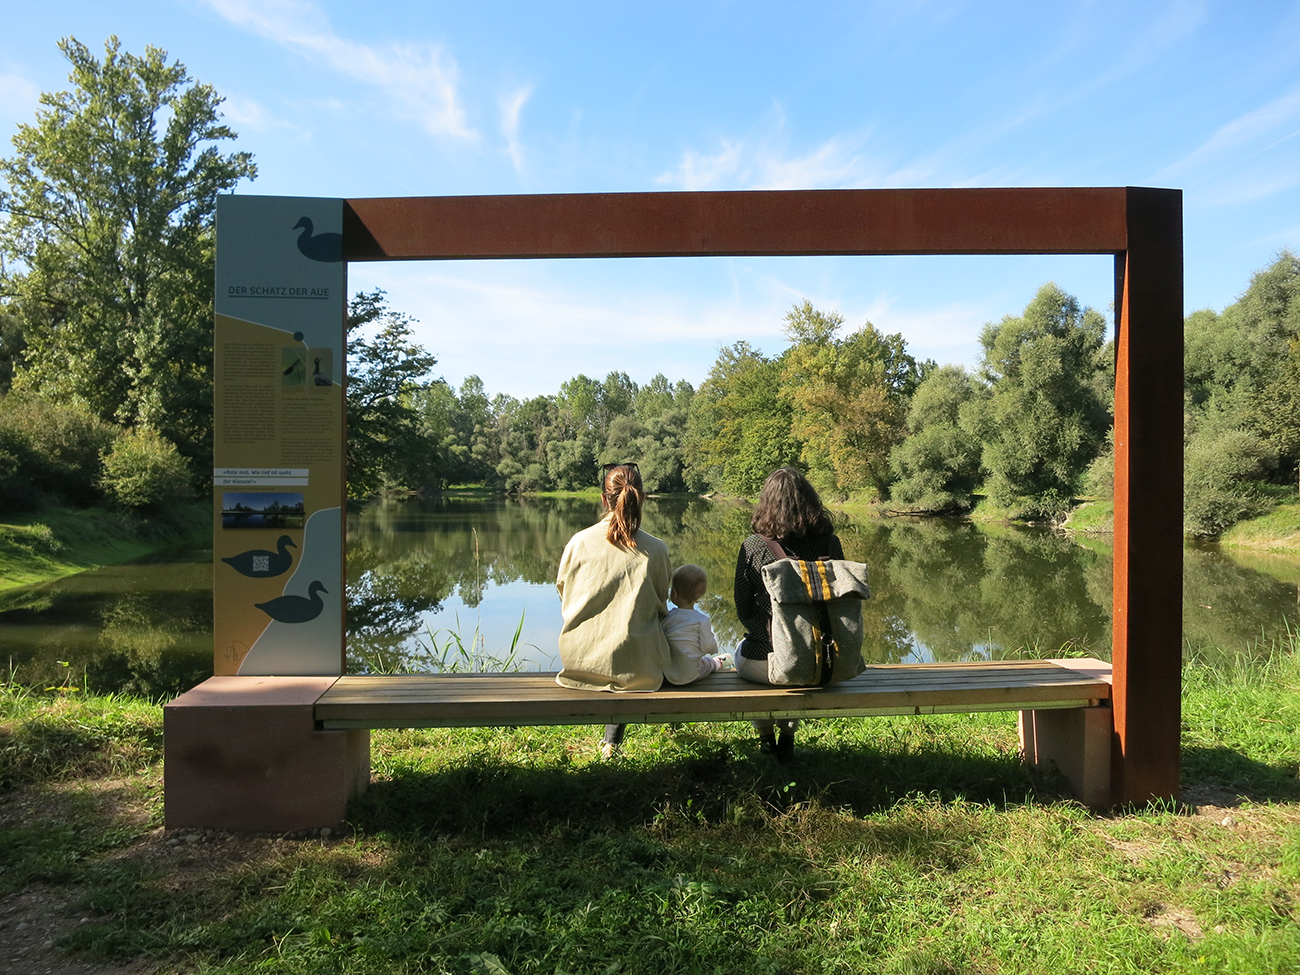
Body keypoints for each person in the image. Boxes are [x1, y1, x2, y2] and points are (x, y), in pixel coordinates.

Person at [556, 462, 702, 758]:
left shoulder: (578, 542)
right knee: (649, 647)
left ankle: (611, 741)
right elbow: (661, 604)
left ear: (603, 498)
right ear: (641, 498)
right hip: (639, 669)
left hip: (579, 663)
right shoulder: (657, 549)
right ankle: (620, 740)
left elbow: (563, 591)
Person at [733, 466, 845, 762]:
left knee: (739, 654)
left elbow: (743, 609)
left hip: (769, 659)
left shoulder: (755, 546)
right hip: (821, 661)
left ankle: (767, 738)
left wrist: (767, 635)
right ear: (810, 502)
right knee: (801, 660)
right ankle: (788, 737)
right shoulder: (829, 543)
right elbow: (839, 604)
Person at [661, 564, 726, 679]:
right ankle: (717, 662)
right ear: (699, 596)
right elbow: (707, 647)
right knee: (708, 663)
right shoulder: (702, 620)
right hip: (693, 671)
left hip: (670, 671)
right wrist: (714, 648)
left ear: (674, 593)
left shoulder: (666, 618)